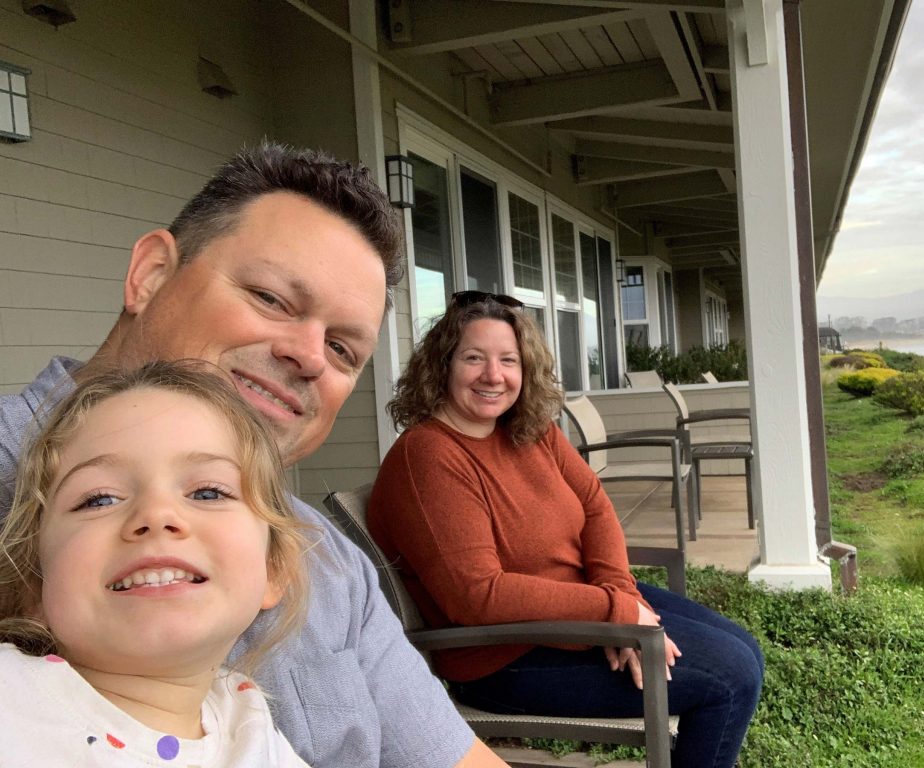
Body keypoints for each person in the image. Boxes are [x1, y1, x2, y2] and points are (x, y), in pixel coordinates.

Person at [0, 144, 505, 768]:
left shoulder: (326, 556)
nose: (311, 356)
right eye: (270, 298)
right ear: (151, 275)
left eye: (344, 349)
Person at [368, 291, 765, 768]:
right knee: (729, 677)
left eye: (508, 360)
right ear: (442, 365)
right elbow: (477, 596)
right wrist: (611, 612)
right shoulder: (428, 457)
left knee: (746, 651)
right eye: (474, 358)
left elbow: (595, 506)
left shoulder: (528, 430)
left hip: (582, 610)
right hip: (505, 657)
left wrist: (619, 598)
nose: (493, 375)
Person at [0, 361, 311, 765]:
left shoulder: (250, 727)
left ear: (274, 569)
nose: (156, 514)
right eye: (99, 499)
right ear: (32, 585)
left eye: (208, 493)